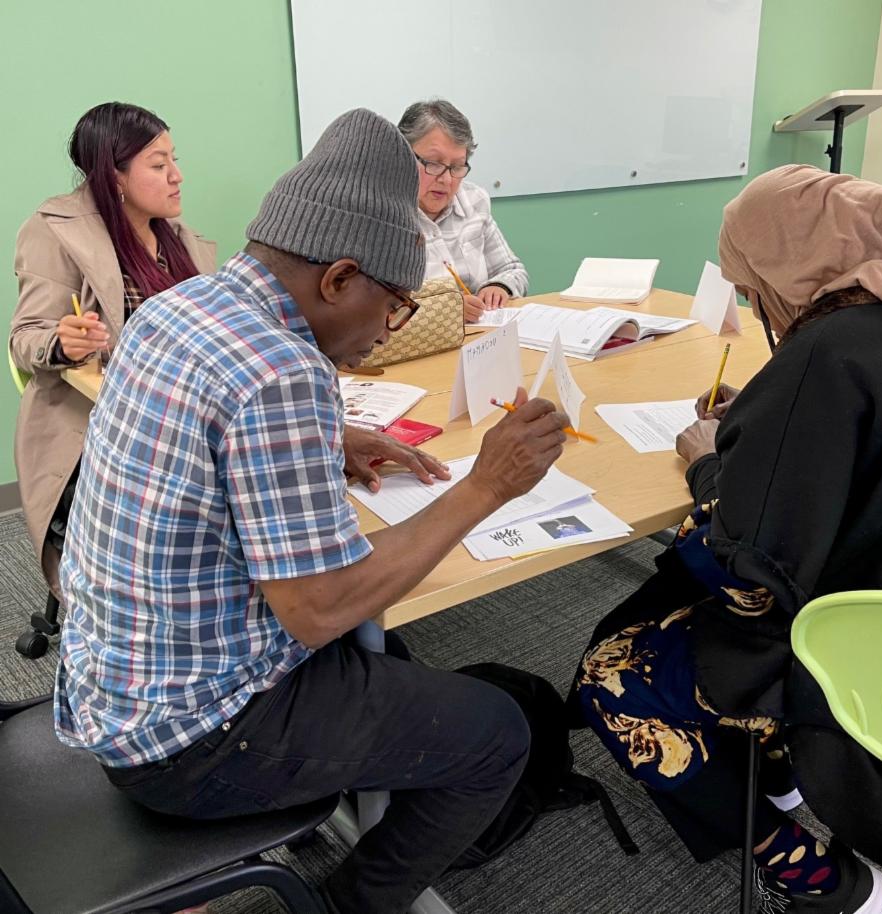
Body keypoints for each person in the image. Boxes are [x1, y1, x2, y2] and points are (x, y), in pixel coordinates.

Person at [53, 108, 569, 913]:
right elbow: (319, 611)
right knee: (499, 733)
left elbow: (208, 428)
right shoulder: (282, 370)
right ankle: (346, 903)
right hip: (189, 740)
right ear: (338, 278)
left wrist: (331, 435)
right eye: (394, 306)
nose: (386, 331)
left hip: (112, 684)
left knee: (392, 664)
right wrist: (485, 487)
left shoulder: (176, 308)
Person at [572, 166, 882, 913]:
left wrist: (709, 458)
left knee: (612, 673)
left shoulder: (829, 353)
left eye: (753, 283)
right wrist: (767, 420)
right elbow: (881, 459)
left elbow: (750, 569)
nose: (756, 301)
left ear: (793, 262)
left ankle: (819, 878)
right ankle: (776, 767)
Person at [9, 102, 215, 596]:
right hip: (106, 429)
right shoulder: (56, 229)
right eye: (159, 165)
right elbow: (24, 339)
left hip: (182, 415)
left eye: (174, 160)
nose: (177, 176)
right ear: (115, 176)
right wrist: (63, 341)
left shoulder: (179, 239)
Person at [398, 99, 529, 322]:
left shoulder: (473, 201)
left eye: (458, 166)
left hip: (480, 336)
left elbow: (513, 270)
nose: (447, 179)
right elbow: (372, 306)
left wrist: (499, 286)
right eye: (434, 163)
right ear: (402, 155)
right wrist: (444, 308)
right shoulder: (381, 213)